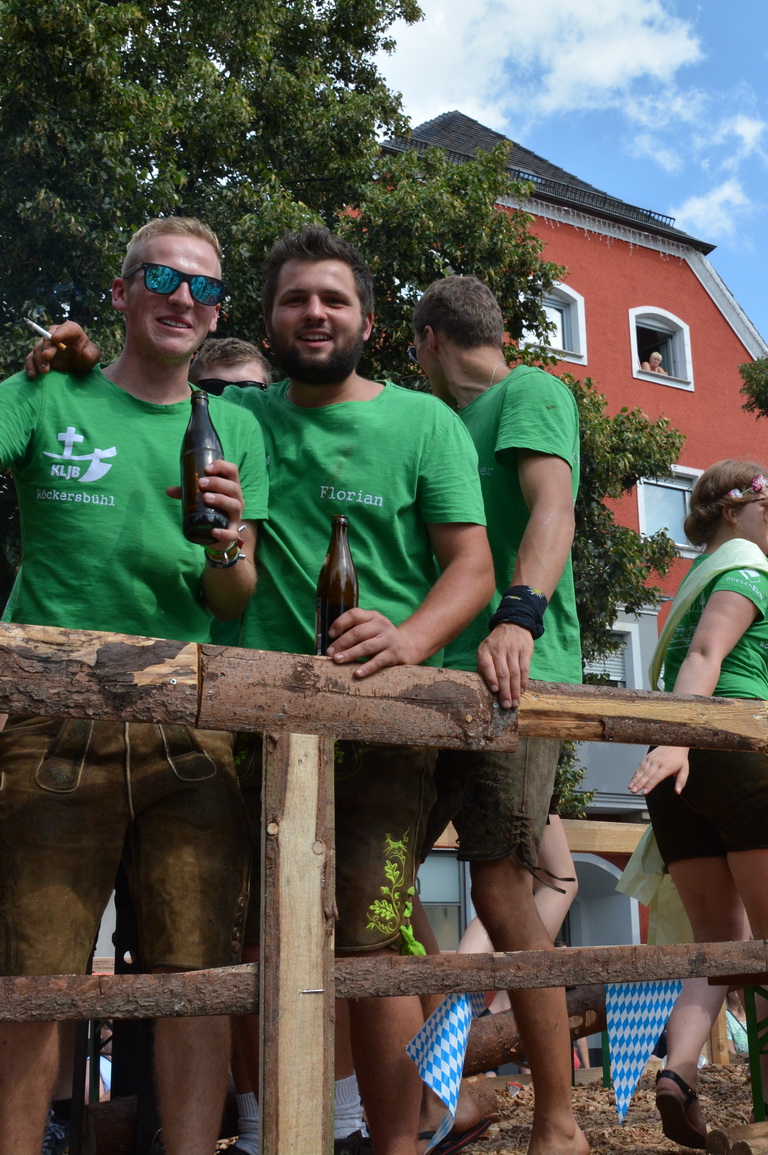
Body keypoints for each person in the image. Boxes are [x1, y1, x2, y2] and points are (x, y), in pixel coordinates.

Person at [0, 216, 264, 1155]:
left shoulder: (236, 426)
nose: (182, 297)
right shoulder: (45, 389)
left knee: (196, 982)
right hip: (52, 719)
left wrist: (226, 542)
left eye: (203, 287)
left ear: (217, 317)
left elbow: (232, 598)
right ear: (121, 293)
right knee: (34, 982)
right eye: (161, 276)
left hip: (189, 730)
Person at [216, 226, 493, 1155]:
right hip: (259, 723)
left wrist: (408, 639)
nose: (315, 313)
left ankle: (395, 1147)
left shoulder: (425, 422)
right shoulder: (243, 421)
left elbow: (472, 567)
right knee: (254, 945)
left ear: (369, 319)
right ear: (270, 320)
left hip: (385, 723)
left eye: (333, 298)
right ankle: (268, 1139)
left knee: (368, 947)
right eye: (296, 298)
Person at [406, 274, 588, 1155]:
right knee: (365, 885)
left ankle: (558, 1121)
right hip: (432, 676)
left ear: (428, 338)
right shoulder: (434, 425)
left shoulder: (531, 390)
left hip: (515, 672)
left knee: (502, 884)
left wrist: (520, 611)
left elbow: (554, 503)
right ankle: (440, 1088)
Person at [628, 461, 768, 1142]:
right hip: (736, 752)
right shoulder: (744, 572)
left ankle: (679, 1071)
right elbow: (709, 655)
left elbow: (724, 663)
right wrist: (680, 738)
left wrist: (675, 744)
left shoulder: (689, 587)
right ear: (734, 510)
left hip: (686, 770)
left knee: (719, 945)